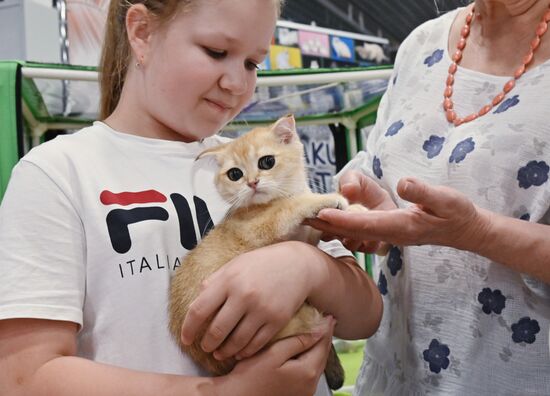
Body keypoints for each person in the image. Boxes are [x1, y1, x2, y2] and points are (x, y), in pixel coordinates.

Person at [0, 1, 383, 395]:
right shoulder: (59, 173)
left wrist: (307, 266)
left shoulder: (259, 162)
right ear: (142, 33)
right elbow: (24, 377)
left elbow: (367, 315)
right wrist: (225, 392)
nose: (237, 82)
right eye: (216, 52)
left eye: (253, 63)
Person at [306, 0, 550, 394]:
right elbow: (388, 169)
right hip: (399, 373)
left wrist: (476, 232)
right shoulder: (422, 42)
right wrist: (378, 210)